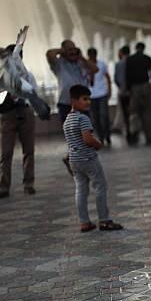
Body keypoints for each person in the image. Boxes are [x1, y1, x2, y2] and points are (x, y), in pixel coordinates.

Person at [63, 85, 123, 232]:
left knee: (81, 190)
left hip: (74, 160)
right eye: (84, 99)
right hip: (88, 158)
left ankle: (84, 222)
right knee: (100, 186)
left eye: (89, 99)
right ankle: (104, 220)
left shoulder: (67, 121)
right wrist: (99, 145)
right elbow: (87, 139)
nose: (88, 102)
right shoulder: (83, 118)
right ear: (73, 101)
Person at [46, 39, 98, 175]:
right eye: (69, 50)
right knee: (74, 136)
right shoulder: (58, 65)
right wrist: (63, 52)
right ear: (63, 52)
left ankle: (72, 159)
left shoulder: (81, 63)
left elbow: (95, 69)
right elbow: (49, 54)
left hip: (83, 106)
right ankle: (77, 163)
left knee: (86, 134)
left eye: (75, 49)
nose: (73, 52)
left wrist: (81, 57)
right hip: (66, 104)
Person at [0, 44, 38, 199]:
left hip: (25, 112)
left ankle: (29, 184)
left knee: (29, 150)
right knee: (6, 153)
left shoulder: (29, 76)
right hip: (8, 113)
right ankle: (4, 186)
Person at [126, 42, 151, 145]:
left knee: (134, 113)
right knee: (148, 112)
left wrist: (129, 90)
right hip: (145, 86)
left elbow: (127, 76)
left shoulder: (130, 59)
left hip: (134, 87)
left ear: (135, 48)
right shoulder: (147, 58)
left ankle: (134, 135)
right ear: (143, 49)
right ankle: (149, 136)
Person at [87, 48, 112, 147]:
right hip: (91, 96)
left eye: (94, 55)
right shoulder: (86, 66)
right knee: (96, 118)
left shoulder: (102, 64)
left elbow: (108, 77)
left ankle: (107, 135)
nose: (92, 57)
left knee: (104, 116)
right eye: (90, 55)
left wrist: (109, 90)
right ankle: (101, 137)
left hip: (102, 94)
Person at [112, 45, 131, 140]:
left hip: (122, 91)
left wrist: (121, 87)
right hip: (132, 91)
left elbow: (116, 79)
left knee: (122, 110)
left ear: (122, 53)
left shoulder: (118, 64)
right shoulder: (132, 62)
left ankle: (121, 127)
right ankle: (132, 128)